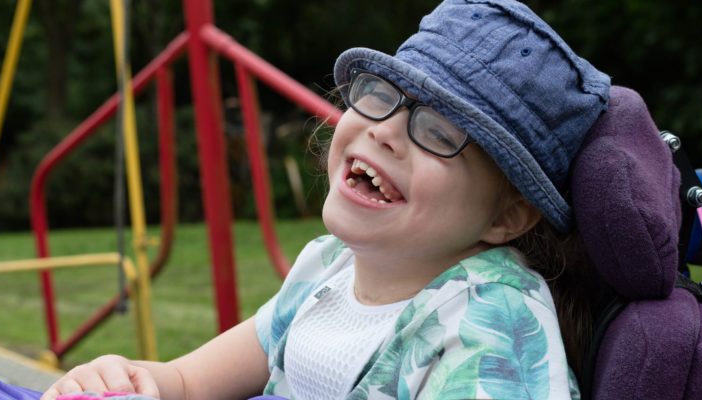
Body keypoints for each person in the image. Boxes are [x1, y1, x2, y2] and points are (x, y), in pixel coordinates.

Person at [41, 0, 609, 399]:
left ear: (507, 214)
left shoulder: (494, 325)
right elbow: (189, 384)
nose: (384, 129)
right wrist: (127, 381)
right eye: (382, 95)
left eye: (439, 132)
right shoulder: (327, 267)